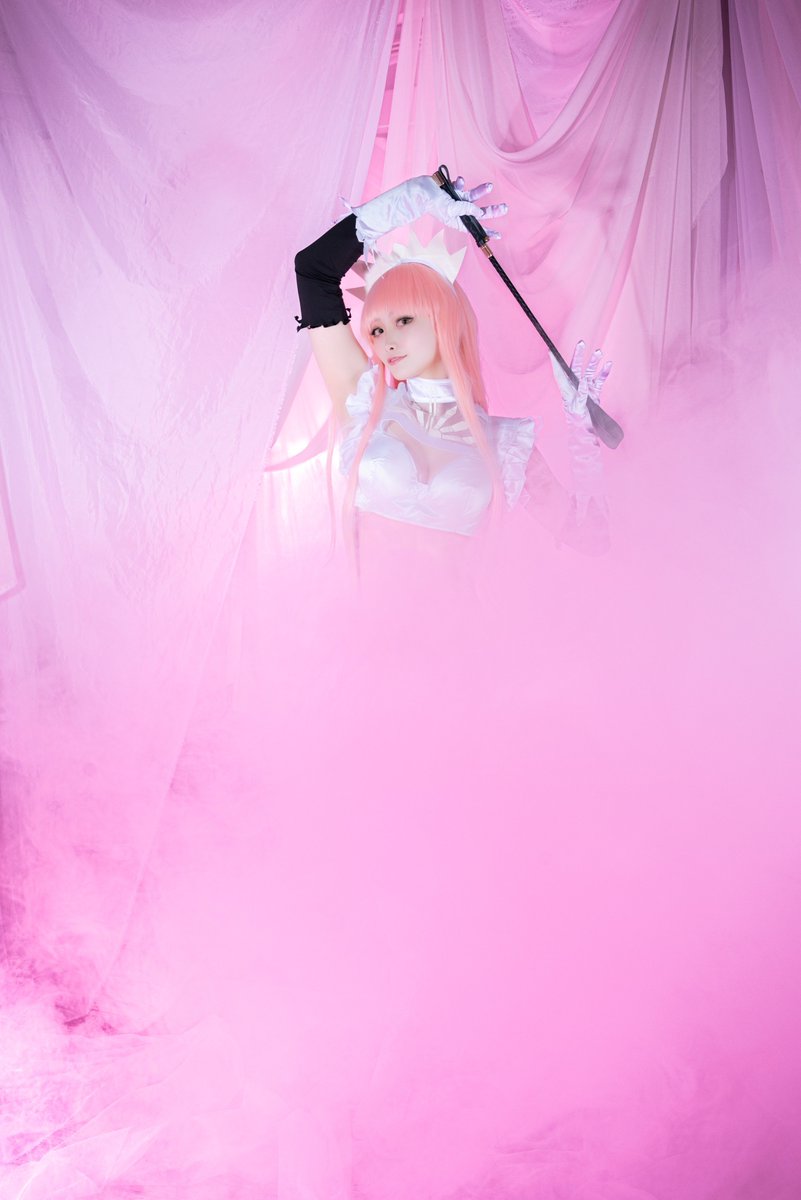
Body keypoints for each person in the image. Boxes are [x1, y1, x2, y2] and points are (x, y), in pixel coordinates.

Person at [294, 173, 611, 558]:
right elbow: (313, 271)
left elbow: (589, 539)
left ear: (444, 319)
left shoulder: (506, 445)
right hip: (359, 599)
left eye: (404, 320)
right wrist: (416, 197)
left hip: (465, 600)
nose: (386, 341)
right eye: (376, 329)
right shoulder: (365, 406)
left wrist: (583, 437)